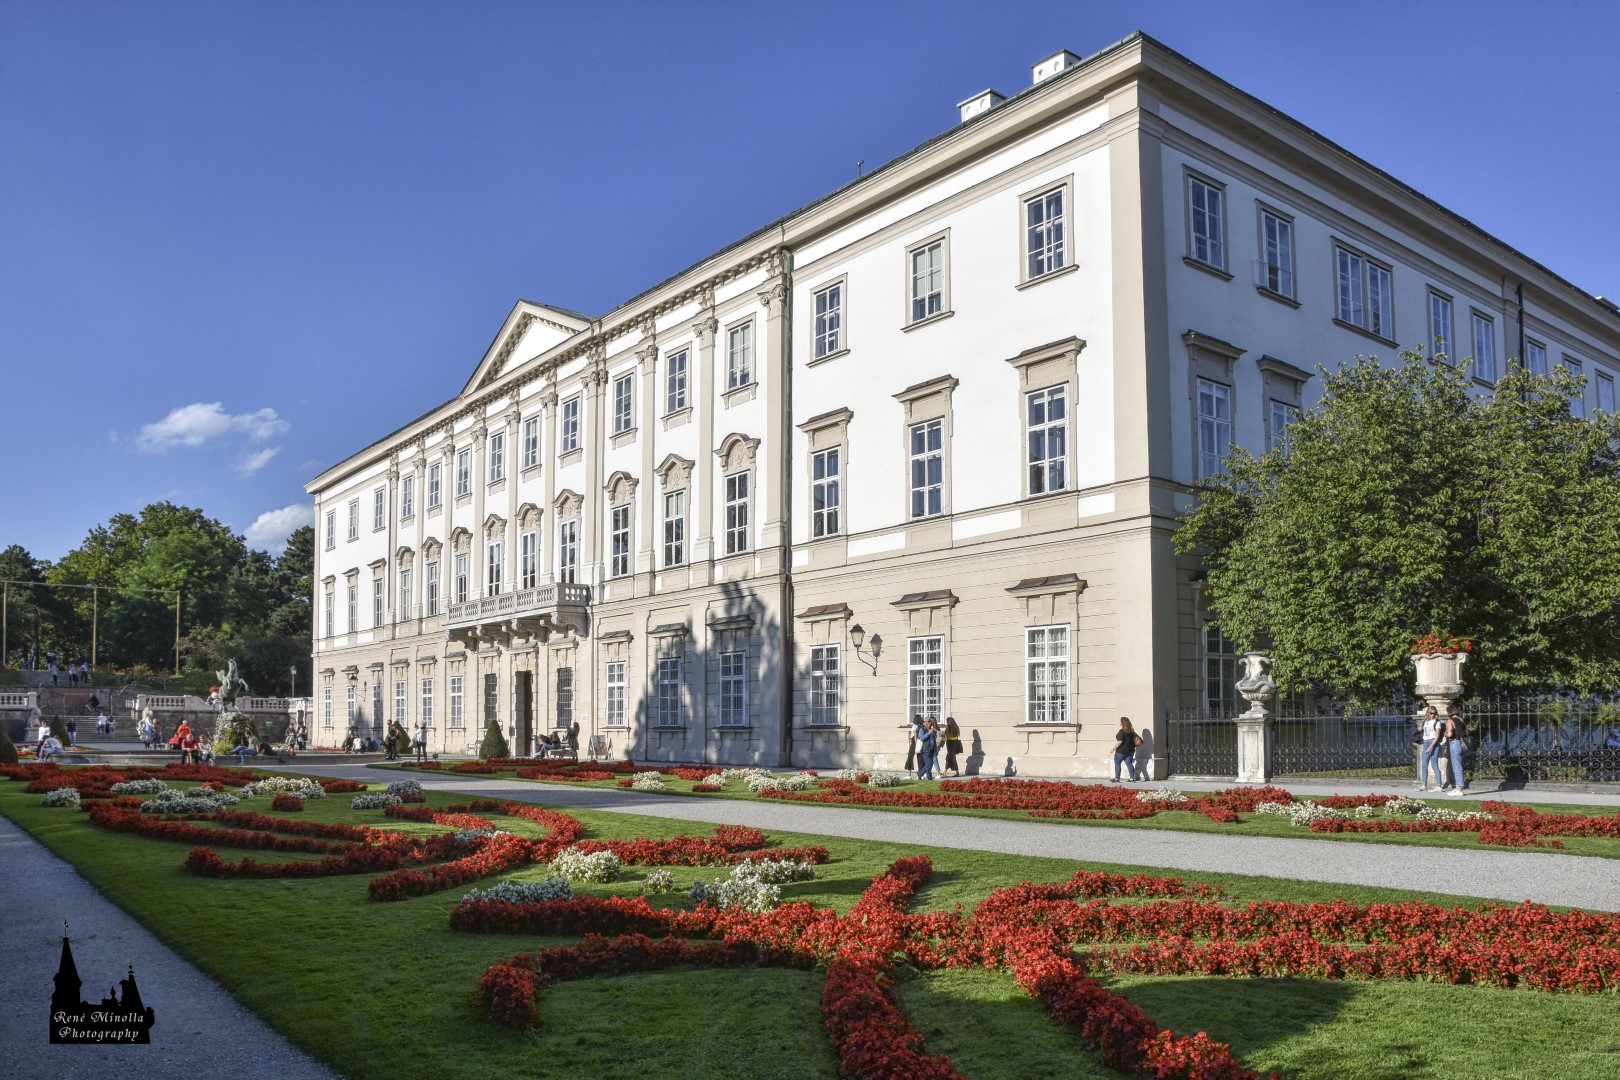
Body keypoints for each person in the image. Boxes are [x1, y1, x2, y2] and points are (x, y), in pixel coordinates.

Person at [1417, 705, 1445, 792]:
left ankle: (1439, 785)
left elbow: (1437, 737)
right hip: (1426, 742)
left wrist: (1430, 747)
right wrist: (1420, 728)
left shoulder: (1437, 723)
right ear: (1428, 713)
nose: (1433, 715)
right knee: (1424, 765)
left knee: (1434, 765)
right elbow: (1422, 731)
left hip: (1433, 743)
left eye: (1434, 713)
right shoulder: (1425, 721)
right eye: (1431, 713)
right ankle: (1424, 785)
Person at [1445, 705, 1470, 797]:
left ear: (1449, 713)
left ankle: (1459, 788)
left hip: (1454, 743)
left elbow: (1450, 733)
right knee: (1459, 764)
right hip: (1461, 743)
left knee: (1456, 766)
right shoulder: (1461, 720)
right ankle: (1458, 787)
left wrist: (1446, 734)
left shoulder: (1450, 721)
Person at [1112, 717, 1141, 782]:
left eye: (1120, 721)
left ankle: (1117, 778)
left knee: (1117, 764)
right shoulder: (1131, 731)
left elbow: (1120, 741)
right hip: (1130, 751)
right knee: (1129, 764)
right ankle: (1132, 778)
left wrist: (1113, 748)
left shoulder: (1121, 731)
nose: (1119, 722)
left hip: (1121, 751)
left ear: (1122, 723)